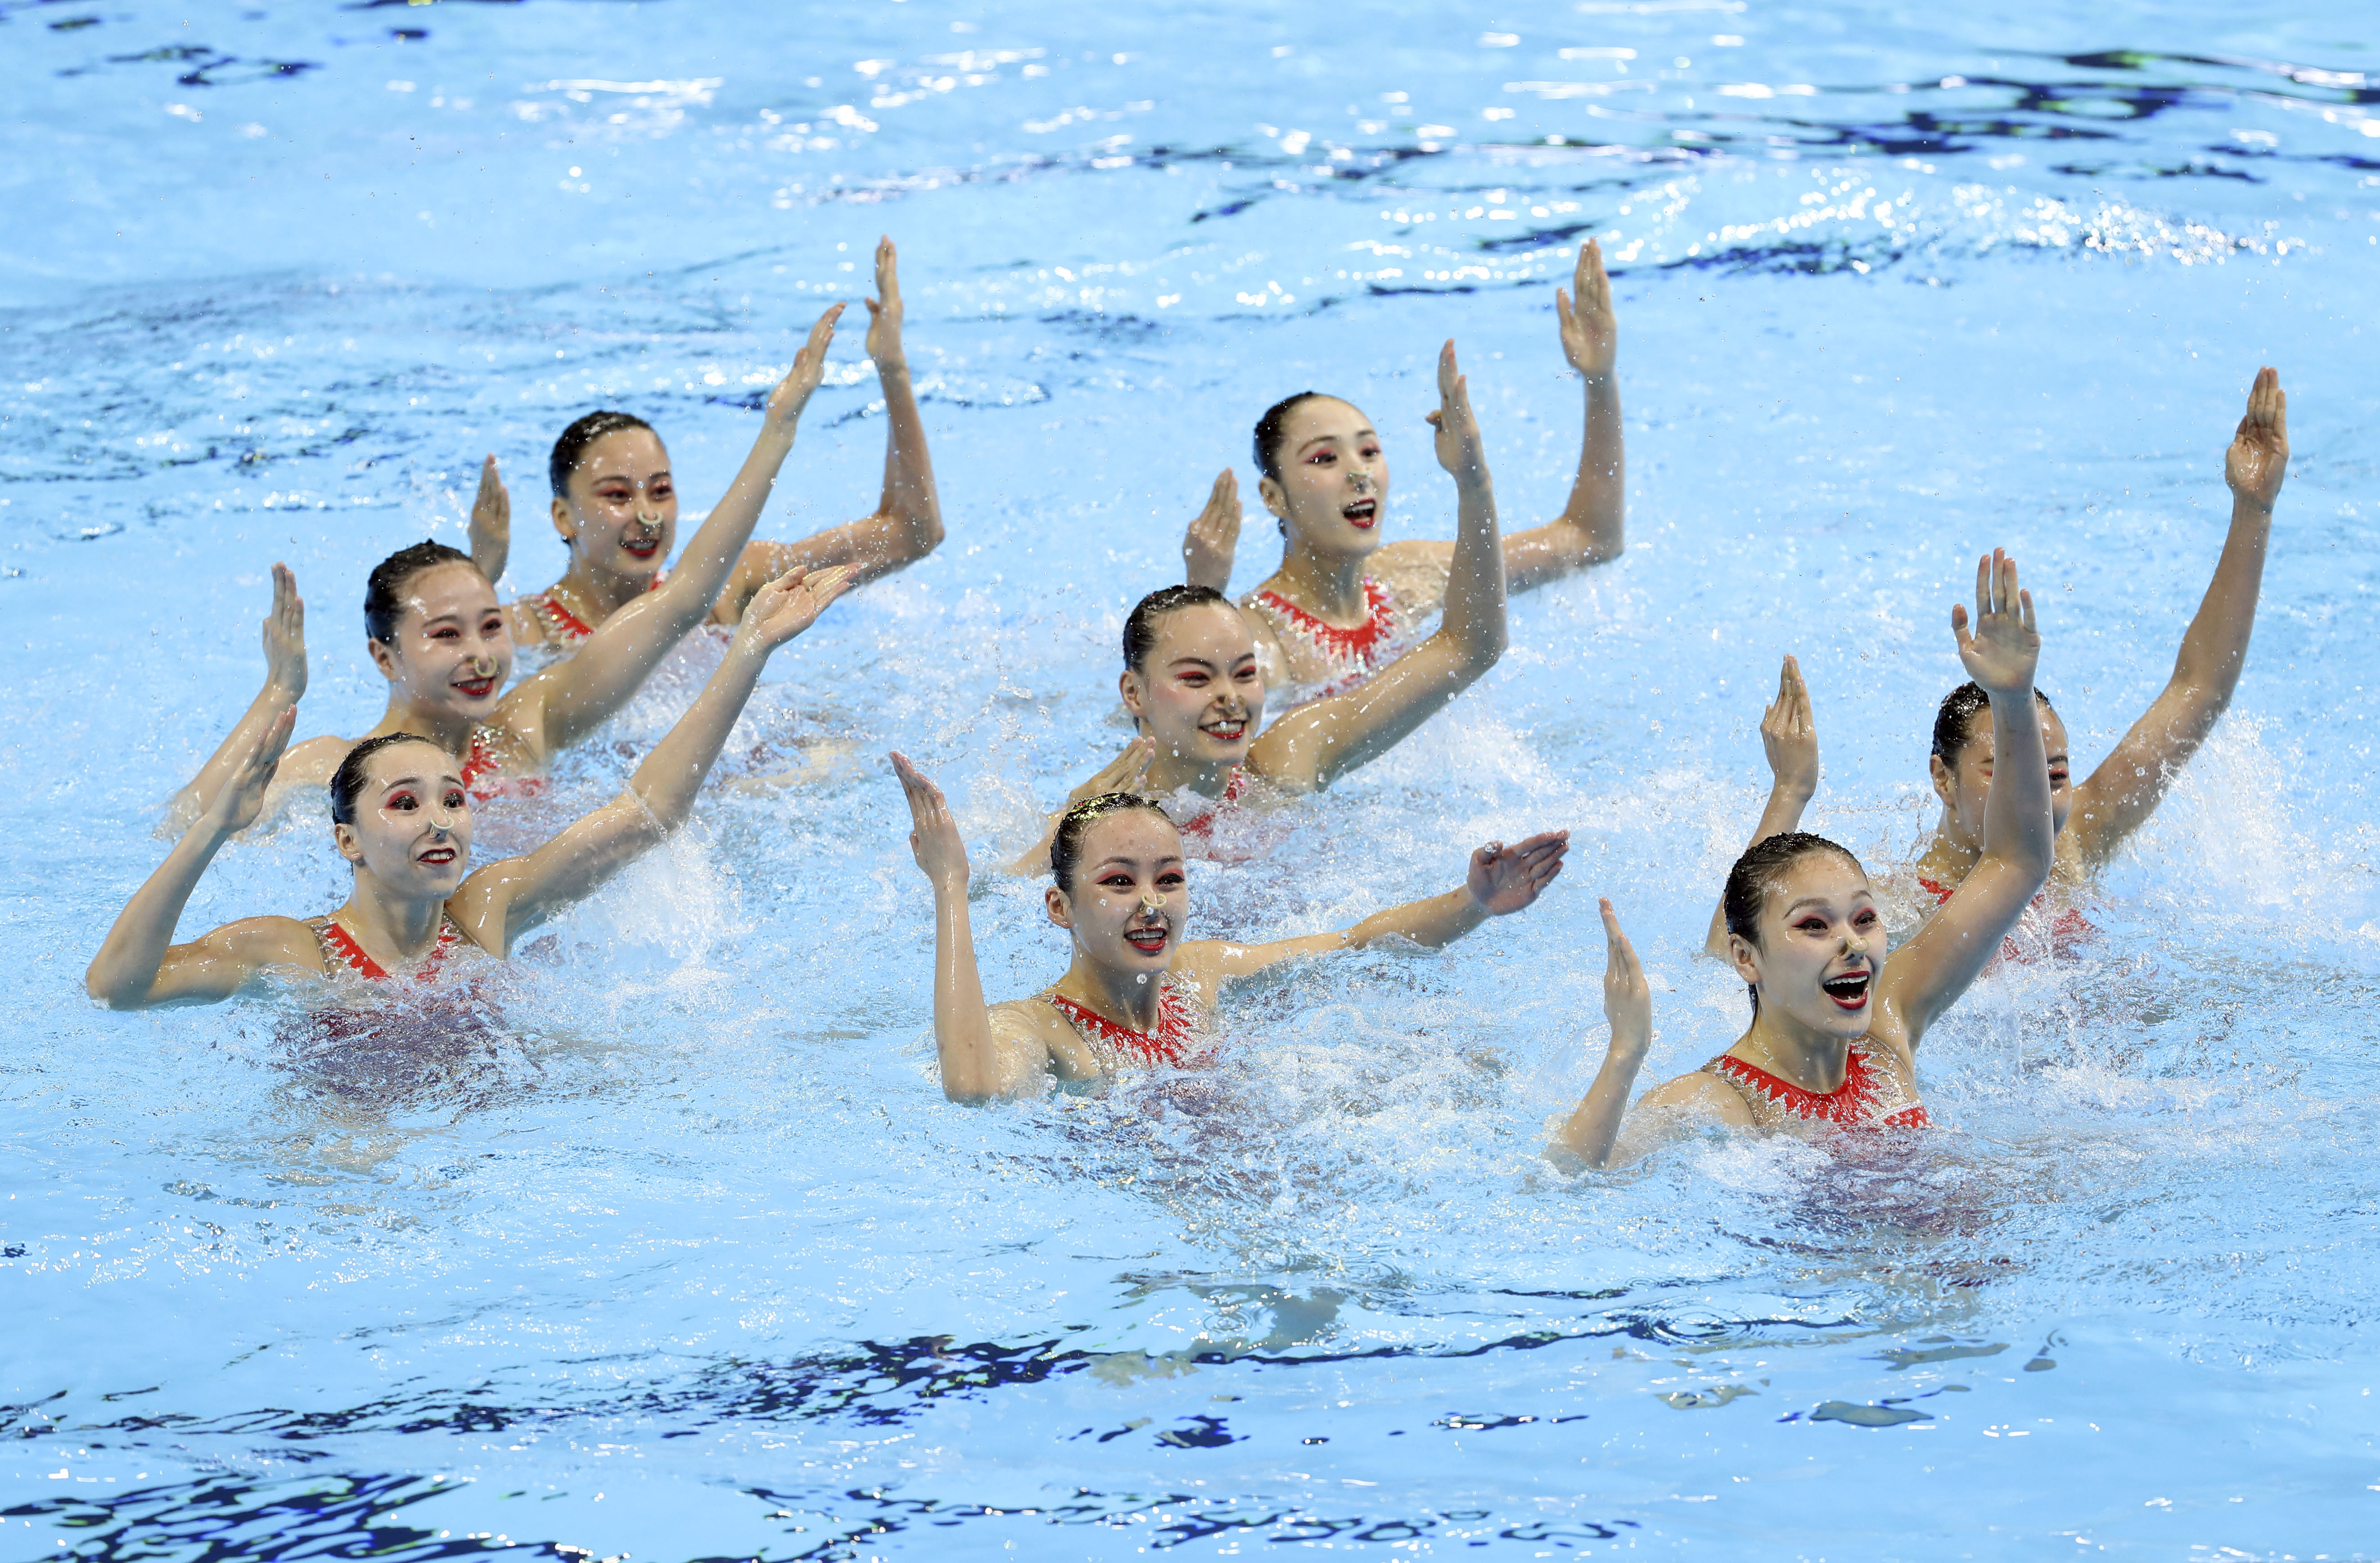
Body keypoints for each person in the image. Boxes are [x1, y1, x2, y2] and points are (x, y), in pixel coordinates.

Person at [163, 305, 851, 828]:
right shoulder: (338, 765)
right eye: (446, 635)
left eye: (491, 627)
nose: (482, 657)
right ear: (383, 655)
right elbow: (188, 828)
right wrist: (280, 692)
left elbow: (682, 601)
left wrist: (779, 431)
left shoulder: (528, 727)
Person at [86, 568, 853, 1008]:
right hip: (344, 1173)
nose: (439, 820)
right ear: (345, 838)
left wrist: (749, 648)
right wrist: (212, 832)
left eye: (453, 798)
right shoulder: (296, 951)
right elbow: (119, 987)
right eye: (404, 803)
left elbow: (647, 813)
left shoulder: (485, 912)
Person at [1550, 551, 2055, 1167]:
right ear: (1746, 959)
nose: (1851, 943)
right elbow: (1570, 1179)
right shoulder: (1721, 1104)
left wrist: (2013, 700)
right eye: (1815, 926)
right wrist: (1625, 1052)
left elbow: (2017, 861)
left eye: (1864, 918)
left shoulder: (1887, 1031)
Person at [1013, 341, 1509, 871]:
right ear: (1134, 693)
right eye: (1198, 680)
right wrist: (1063, 837)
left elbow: (1469, 646)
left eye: (1245, 674)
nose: (1230, 698)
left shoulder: (1287, 760)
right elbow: (990, 899)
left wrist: (1472, 482)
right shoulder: (1102, 822)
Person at [893, 758, 1568, 1098]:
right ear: (1059, 908)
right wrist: (951, 889)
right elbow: (976, 1089)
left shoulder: (1200, 976)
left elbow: (1356, 944)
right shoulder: (1041, 1031)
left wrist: (1471, 901)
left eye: (1169, 878)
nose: (1151, 904)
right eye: (1119, 882)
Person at [1179, 240, 1623, 700]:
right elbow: (1159, 736)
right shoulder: (1256, 640)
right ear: (1272, 496)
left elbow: (1591, 539)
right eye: (1324, 458)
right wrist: (1201, 593)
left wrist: (1600, 380)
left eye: (1369, 452)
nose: (1359, 475)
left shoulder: (1413, 577)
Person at [1909, 368, 2288, 903]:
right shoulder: (1895, 914)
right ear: (1942, 778)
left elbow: (2199, 689)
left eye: (2055, 775)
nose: (2035, 798)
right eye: (2005, 770)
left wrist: (2254, 507)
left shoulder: (2071, 844)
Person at [473, 237, 942, 647]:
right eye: (617, 495)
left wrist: (892, 368)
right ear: (563, 516)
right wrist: (482, 573)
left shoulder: (726, 587)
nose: (648, 514)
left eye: (660, 490)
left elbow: (914, 534)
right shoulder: (524, 634)